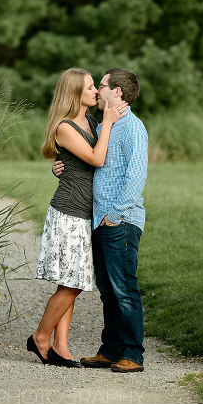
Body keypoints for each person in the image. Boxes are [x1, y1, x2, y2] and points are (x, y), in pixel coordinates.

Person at [27, 67, 127, 368]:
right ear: (74, 93)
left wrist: (104, 122)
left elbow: (90, 159)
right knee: (75, 283)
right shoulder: (65, 126)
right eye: (89, 87)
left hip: (86, 212)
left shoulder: (91, 121)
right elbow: (96, 158)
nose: (96, 91)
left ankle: (60, 347)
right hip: (69, 212)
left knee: (71, 281)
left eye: (96, 85)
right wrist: (109, 122)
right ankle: (40, 337)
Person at [53, 68, 148, 373]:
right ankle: (110, 350)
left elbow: (136, 177)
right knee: (108, 290)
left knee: (124, 289)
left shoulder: (132, 127)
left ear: (117, 92)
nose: (97, 91)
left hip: (119, 219)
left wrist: (115, 216)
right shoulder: (104, 125)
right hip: (99, 219)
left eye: (102, 86)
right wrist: (60, 166)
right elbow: (88, 159)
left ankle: (133, 354)